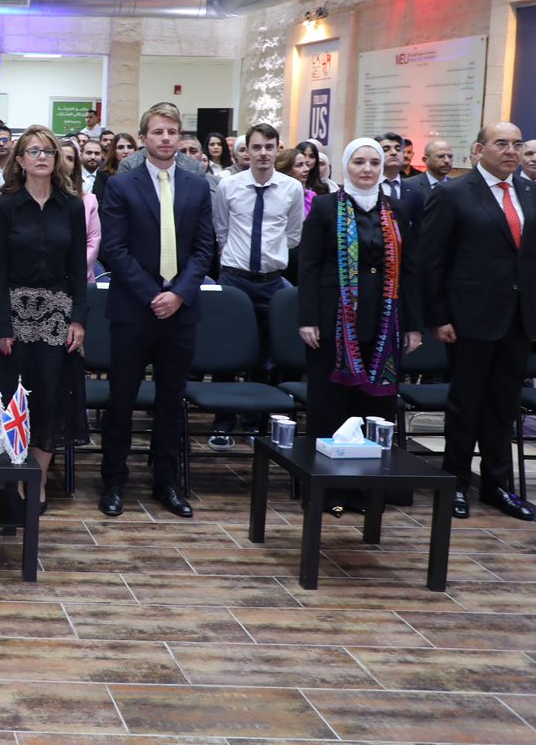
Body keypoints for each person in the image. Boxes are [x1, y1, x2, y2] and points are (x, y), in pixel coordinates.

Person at [421, 121, 536, 521]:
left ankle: (498, 486)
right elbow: (431, 261)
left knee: (503, 405)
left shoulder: (535, 194)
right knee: (466, 404)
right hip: (469, 318)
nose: (511, 151)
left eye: (517, 144)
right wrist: (438, 316)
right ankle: (456, 482)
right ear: (479, 150)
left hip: (519, 319)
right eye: (501, 144)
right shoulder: (453, 193)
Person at [96, 103, 215, 518]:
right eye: (159, 132)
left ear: (180, 138)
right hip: (133, 308)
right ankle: (113, 481)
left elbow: (205, 249)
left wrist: (178, 294)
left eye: (173, 132)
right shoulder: (121, 185)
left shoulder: (197, 186)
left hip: (180, 310)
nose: (166, 138)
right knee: (121, 399)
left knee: (171, 400)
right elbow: (114, 248)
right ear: (144, 137)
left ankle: (167, 482)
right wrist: (154, 294)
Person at [299, 138, 423, 513]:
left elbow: (410, 270)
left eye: (373, 162)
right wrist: (308, 319)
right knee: (331, 405)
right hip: (333, 321)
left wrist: (414, 324)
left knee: (374, 406)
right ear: (345, 166)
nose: (367, 169)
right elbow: (308, 266)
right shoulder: (325, 207)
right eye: (359, 162)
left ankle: (368, 490)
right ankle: (329, 491)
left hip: (384, 320)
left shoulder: (395, 209)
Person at [0, 127, 87, 510]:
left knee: (50, 399)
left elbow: (78, 268)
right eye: (33, 151)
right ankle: (14, 476)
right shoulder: (7, 205)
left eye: (48, 151)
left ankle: (39, 479)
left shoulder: (72, 206)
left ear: (57, 159)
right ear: (20, 160)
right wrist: (1, 323)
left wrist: (78, 318)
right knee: (14, 399)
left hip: (57, 317)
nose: (42, 156)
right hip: (12, 315)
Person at [209, 123, 304, 449]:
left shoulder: (292, 188)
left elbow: (293, 234)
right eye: (257, 147)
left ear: (278, 149)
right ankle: (222, 424)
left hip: (271, 282)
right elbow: (221, 229)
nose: (263, 153)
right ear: (246, 150)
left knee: (263, 357)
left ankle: (252, 425)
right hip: (234, 279)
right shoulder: (229, 186)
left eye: (269, 147)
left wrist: (269, 256)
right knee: (224, 353)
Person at [56, 139, 102, 279]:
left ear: (75, 166)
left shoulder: (89, 201)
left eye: (70, 159)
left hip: (80, 277)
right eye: (60, 157)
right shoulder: (39, 198)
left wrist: (74, 273)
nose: (64, 162)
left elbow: (93, 242)